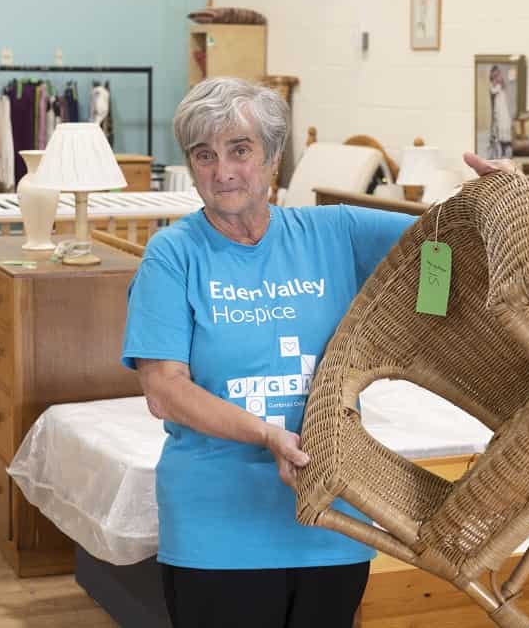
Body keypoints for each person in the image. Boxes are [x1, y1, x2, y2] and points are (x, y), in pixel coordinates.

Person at [121, 77, 507, 628]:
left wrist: (497, 198)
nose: (222, 170)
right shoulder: (172, 255)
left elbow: (448, 247)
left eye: (240, 150)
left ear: (274, 157)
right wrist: (266, 435)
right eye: (204, 155)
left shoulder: (337, 232)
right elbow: (165, 390)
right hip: (219, 529)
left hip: (334, 523)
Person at [487, 64, 513, 159]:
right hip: (498, 113)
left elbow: (503, 88)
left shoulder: (502, 85)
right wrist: (496, 82)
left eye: (498, 73)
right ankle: (501, 153)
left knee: (506, 130)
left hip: (504, 112)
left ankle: (506, 152)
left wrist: (500, 82)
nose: (497, 75)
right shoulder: (492, 86)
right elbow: (493, 92)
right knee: (500, 134)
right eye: (495, 73)